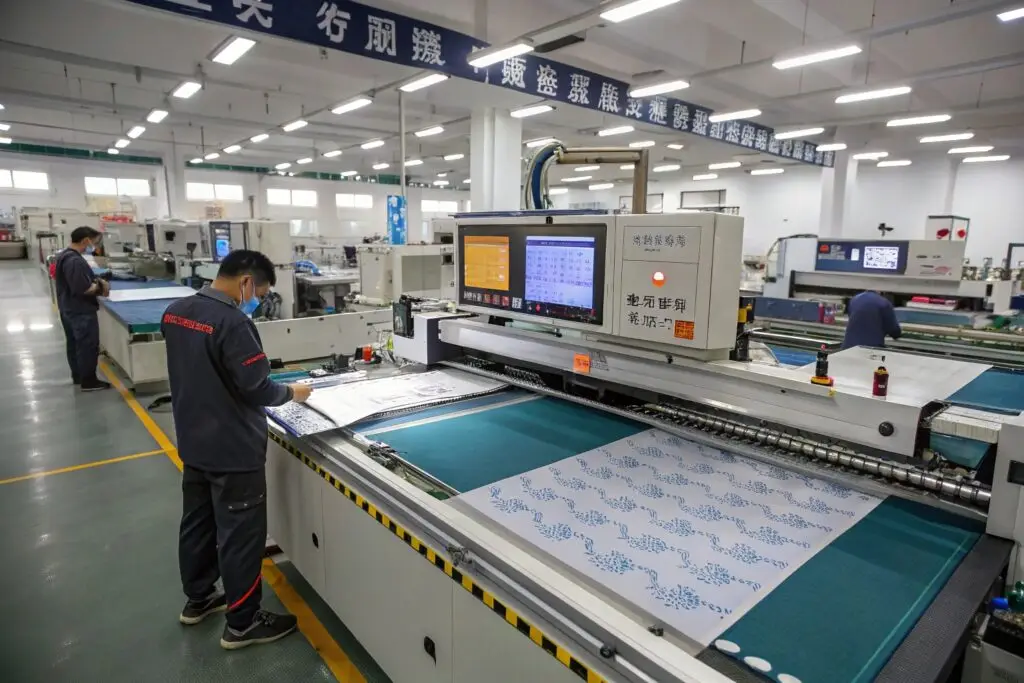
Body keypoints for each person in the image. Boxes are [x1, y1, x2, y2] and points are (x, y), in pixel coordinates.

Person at [161, 250, 313, 650]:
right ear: (246, 282)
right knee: (240, 536)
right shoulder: (234, 323)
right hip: (233, 450)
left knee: (197, 524)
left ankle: (198, 600)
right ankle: (243, 623)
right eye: (259, 291)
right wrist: (293, 392)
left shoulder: (176, 312)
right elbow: (257, 387)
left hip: (193, 441)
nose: (257, 299)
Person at [54, 226, 111, 391]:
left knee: (74, 343)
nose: (94, 244)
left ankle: (78, 375)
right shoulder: (74, 261)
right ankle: (89, 381)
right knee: (87, 345)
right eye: (93, 241)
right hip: (80, 311)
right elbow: (83, 288)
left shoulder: (65, 256)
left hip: (68, 308)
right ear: (86, 240)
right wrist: (102, 287)